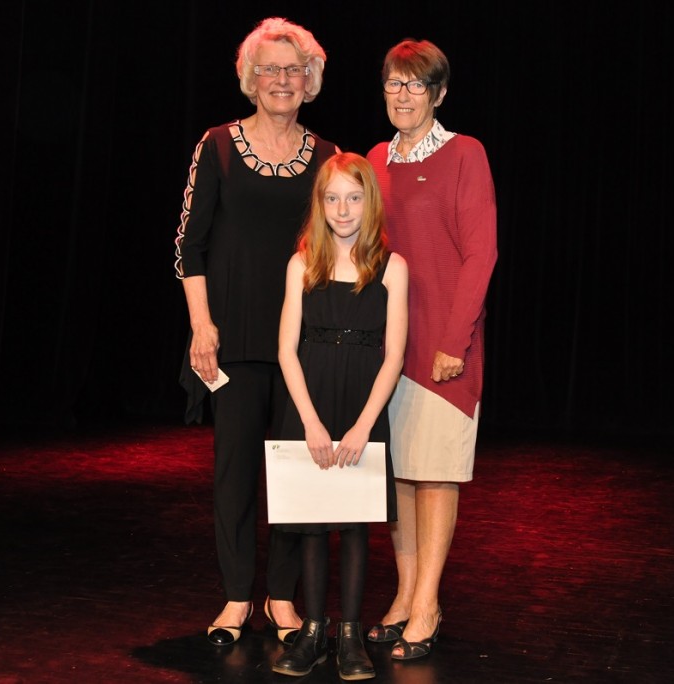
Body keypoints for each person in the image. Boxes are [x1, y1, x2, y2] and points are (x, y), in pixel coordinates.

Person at [173, 16, 340, 647]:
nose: (281, 80)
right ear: (250, 78)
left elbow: (339, 246)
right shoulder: (216, 145)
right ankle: (239, 596)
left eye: (293, 69)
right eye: (269, 68)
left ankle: (282, 597)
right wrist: (201, 325)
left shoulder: (328, 156)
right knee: (235, 472)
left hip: (304, 342)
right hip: (233, 339)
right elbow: (190, 247)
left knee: (298, 472)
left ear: (310, 80)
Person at [364, 39, 498, 661]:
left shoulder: (465, 154)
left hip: (444, 344)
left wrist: (454, 341)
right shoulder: (372, 159)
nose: (402, 94)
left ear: (439, 93)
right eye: (394, 82)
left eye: (415, 85)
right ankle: (404, 592)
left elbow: (481, 254)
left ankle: (428, 602)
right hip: (388, 348)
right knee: (399, 479)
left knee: (436, 474)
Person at [270, 152, 408, 679]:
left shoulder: (392, 268)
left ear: (369, 201)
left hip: (359, 406)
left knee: (353, 524)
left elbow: (393, 354)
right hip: (310, 402)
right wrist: (309, 421)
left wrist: (362, 426)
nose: (343, 208)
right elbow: (286, 349)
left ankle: (349, 634)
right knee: (310, 520)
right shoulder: (302, 263)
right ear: (319, 203)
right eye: (332, 198)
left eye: (354, 197)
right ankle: (313, 631)